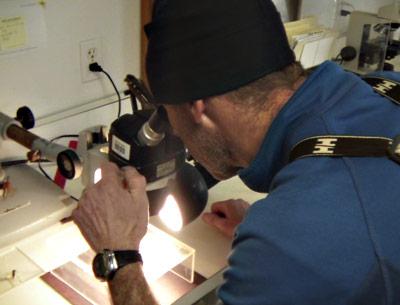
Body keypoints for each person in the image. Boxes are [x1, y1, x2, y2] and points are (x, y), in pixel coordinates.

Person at [72, 0, 400, 304]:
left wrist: (119, 255)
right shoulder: (382, 88)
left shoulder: (291, 242)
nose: (180, 138)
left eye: (172, 120)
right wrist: (271, 235)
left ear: (196, 107)